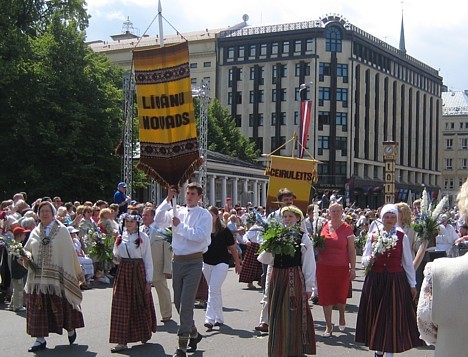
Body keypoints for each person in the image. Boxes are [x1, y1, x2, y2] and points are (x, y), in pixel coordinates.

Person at [356, 204, 424, 356]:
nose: (390, 220)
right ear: (382, 218)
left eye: (393, 217)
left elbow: (407, 262)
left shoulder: (402, 236)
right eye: (387, 217)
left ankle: (389, 351)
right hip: (376, 278)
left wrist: (412, 284)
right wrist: (370, 259)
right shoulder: (373, 234)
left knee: (391, 316)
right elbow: (364, 259)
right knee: (378, 315)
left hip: (394, 279)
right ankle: (379, 350)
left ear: (397, 218)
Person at [155, 182, 212, 357]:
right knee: (179, 303)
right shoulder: (177, 210)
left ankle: (182, 345)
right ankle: (193, 333)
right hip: (177, 261)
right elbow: (158, 220)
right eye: (187, 193)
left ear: (200, 196)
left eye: (193, 194)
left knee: (187, 303)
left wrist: (179, 226)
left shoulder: (205, 215)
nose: (189, 196)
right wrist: (168, 199)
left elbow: (199, 236)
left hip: (194, 261)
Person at [23, 201, 85, 352]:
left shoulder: (62, 231)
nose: (44, 214)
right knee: (39, 308)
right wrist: (26, 256)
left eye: (47, 211)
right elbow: (28, 249)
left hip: (58, 279)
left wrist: (74, 272)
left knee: (62, 305)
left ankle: (70, 329)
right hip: (38, 279)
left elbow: (69, 253)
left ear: (53, 213)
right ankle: (40, 339)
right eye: (41, 211)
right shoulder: (35, 232)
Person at [267, 205, 316, 356]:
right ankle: (278, 348)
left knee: (291, 312)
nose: (287, 219)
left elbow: (309, 263)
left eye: (290, 216)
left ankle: (295, 349)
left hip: (292, 276)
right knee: (276, 313)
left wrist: (309, 287)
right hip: (277, 276)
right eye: (285, 216)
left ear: (298, 219)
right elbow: (266, 259)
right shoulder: (276, 235)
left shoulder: (303, 236)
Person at [109, 212, 157, 353]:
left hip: (138, 272)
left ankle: (144, 332)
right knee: (121, 304)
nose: (129, 224)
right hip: (123, 272)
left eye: (132, 221)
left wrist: (149, 281)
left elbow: (148, 260)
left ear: (137, 223)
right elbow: (116, 256)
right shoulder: (120, 237)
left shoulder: (143, 238)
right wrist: (113, 257)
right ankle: (121, 341)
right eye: (127, 221)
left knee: (139, 302)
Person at [255, 187, 296, 333]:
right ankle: (264, 321)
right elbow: (262, 235)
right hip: (274, 259)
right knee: (268, 289)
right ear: (280, 202)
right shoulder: (273, 216)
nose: (289, 202)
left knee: (290, 292)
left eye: (290, 200)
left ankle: (287, 320)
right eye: (286, 200)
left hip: (291, 260)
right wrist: (269, 244)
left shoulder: (297, 216)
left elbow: (303, 234)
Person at [316, 202, 356, 336]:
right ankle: (328, 325)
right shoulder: (323, 226)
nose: (335, 214)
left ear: (342, 212)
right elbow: (319, 246)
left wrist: (353, 268)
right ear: (328, 212)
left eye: (338, 211)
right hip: (324, 266)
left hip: (341, 267)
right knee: (325, 295)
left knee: (340, 295)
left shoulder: (347, 228)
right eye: (333, 211)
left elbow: (351, 250)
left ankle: (342, 316)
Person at [202, 206, 241, 329]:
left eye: (211, 216)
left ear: (216, 216)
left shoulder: (225, 230)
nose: (209, 219)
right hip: (207, 263)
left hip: (221, 263)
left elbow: (233, 248)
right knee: (215, 290)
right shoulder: (203, 230)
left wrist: (237, 263)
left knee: (212, 289)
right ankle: (219, 317)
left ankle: (210, 318)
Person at [141, 206, 173, 323]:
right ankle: (144, 316)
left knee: (162, 291)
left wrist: (167, 268)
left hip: (158, 266)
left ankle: (166, 314)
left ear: (153, 217)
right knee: (142, 292)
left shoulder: (162, 230)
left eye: (146, 215)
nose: (143, 217)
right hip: (142, 267)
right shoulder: (139, 231)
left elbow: (168, 251)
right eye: (143, 215)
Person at [7, 226, 30, 311]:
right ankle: (17, 306)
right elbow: (18, 260)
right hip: (17, 271)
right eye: (24, 234)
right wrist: (25, 265)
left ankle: (12, 305)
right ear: (19, 235)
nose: (25, 236)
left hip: (16, 271)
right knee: (19, 289)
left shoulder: (15, 245)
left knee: (16, 289)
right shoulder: (17, 246)